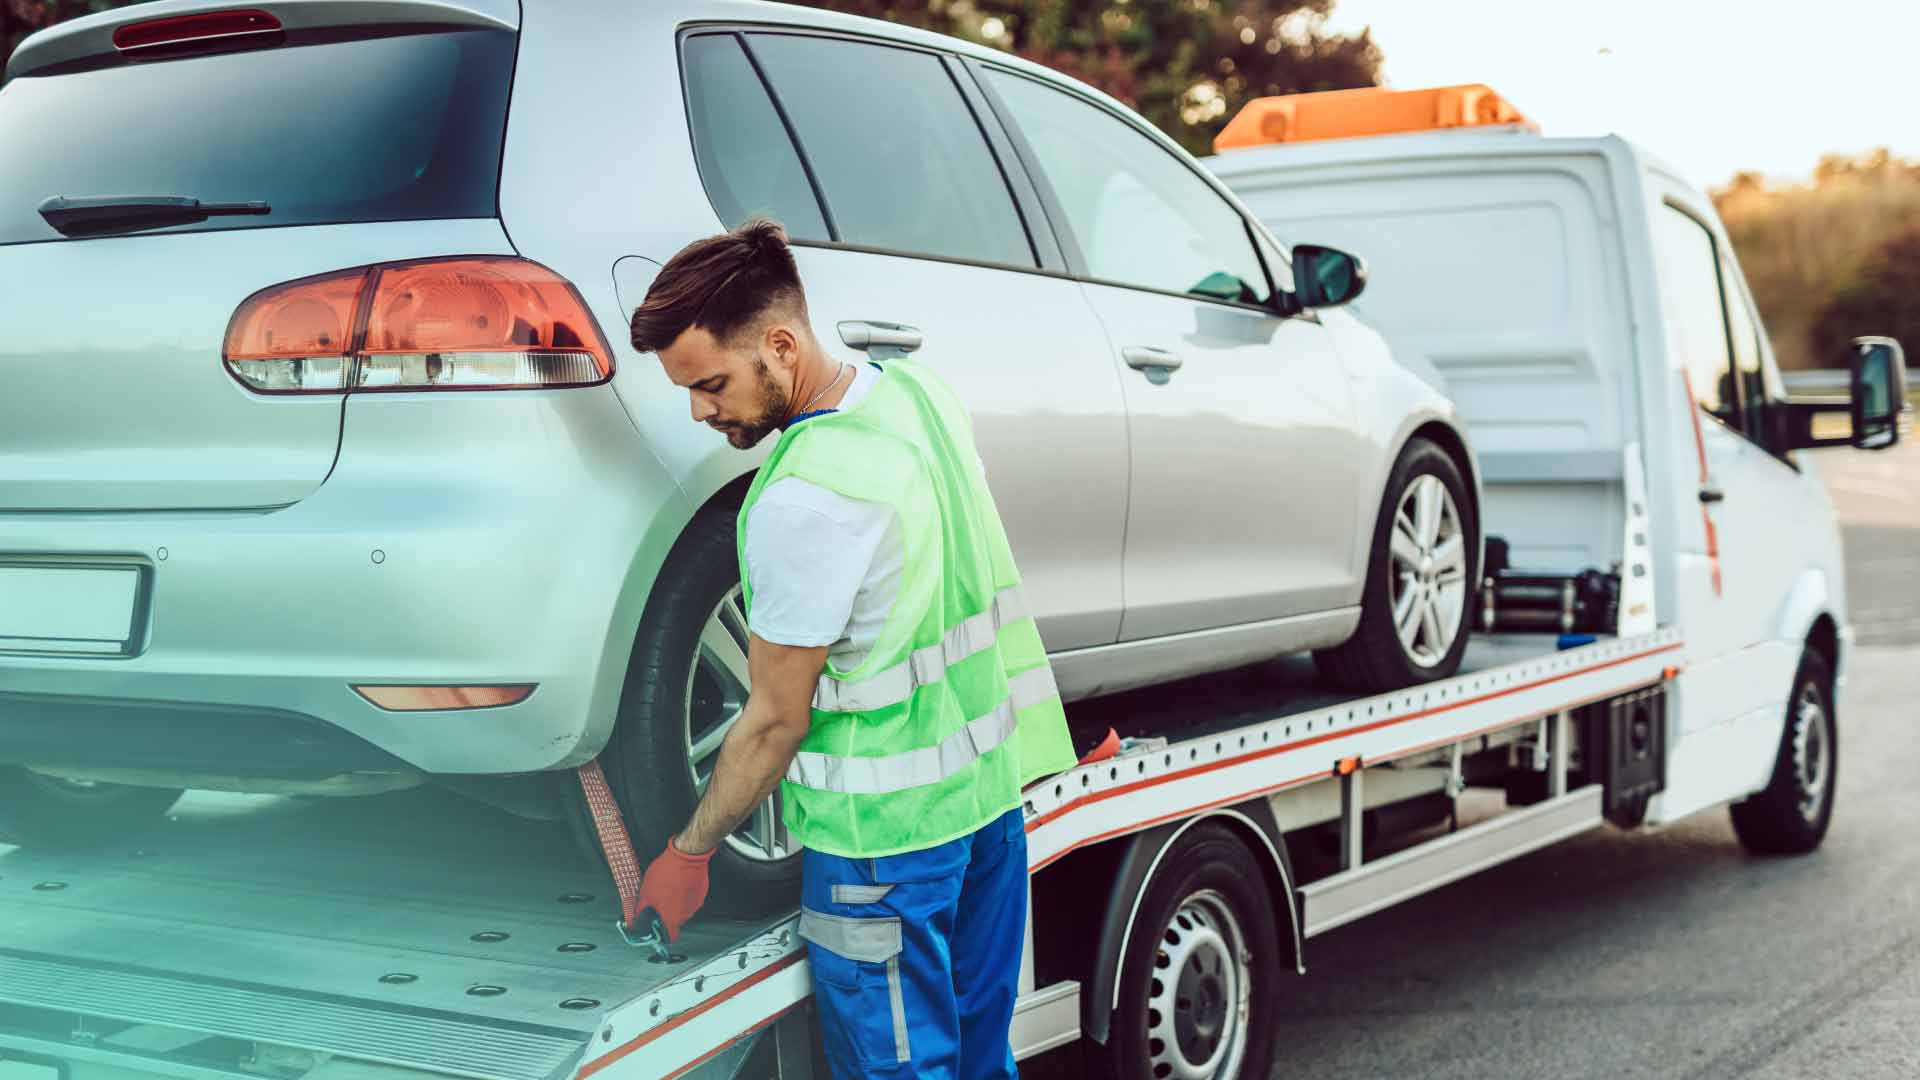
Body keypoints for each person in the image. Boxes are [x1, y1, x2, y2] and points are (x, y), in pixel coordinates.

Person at [628, 218, 1077, 1079]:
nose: (700, 410)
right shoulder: (917, 397)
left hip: (880, 852)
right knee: (982, 1061)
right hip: (984, 814)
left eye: (713, 383)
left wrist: (689, 854)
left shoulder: (806, 496)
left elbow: (772, 721)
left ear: (782, 345)